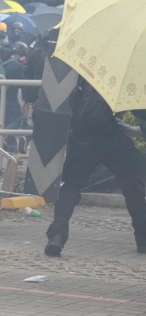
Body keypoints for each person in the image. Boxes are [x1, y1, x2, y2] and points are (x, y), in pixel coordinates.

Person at [44, 78, 146, 256]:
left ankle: (57, 236)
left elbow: (63, 107)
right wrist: (138, 130)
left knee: (69, 187)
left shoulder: (81, 76)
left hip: (82, 142)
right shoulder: (121, 80)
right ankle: (143, 240)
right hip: (114, 142)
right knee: (133, 189)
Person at [2, 42, 27, 152]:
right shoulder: (18, 65)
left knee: (7, 121)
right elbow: (21, 83)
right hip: (12, 98)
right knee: (16, 121)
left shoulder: (4, 64)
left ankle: (11, 148)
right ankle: (5, 135)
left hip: (2, 99)